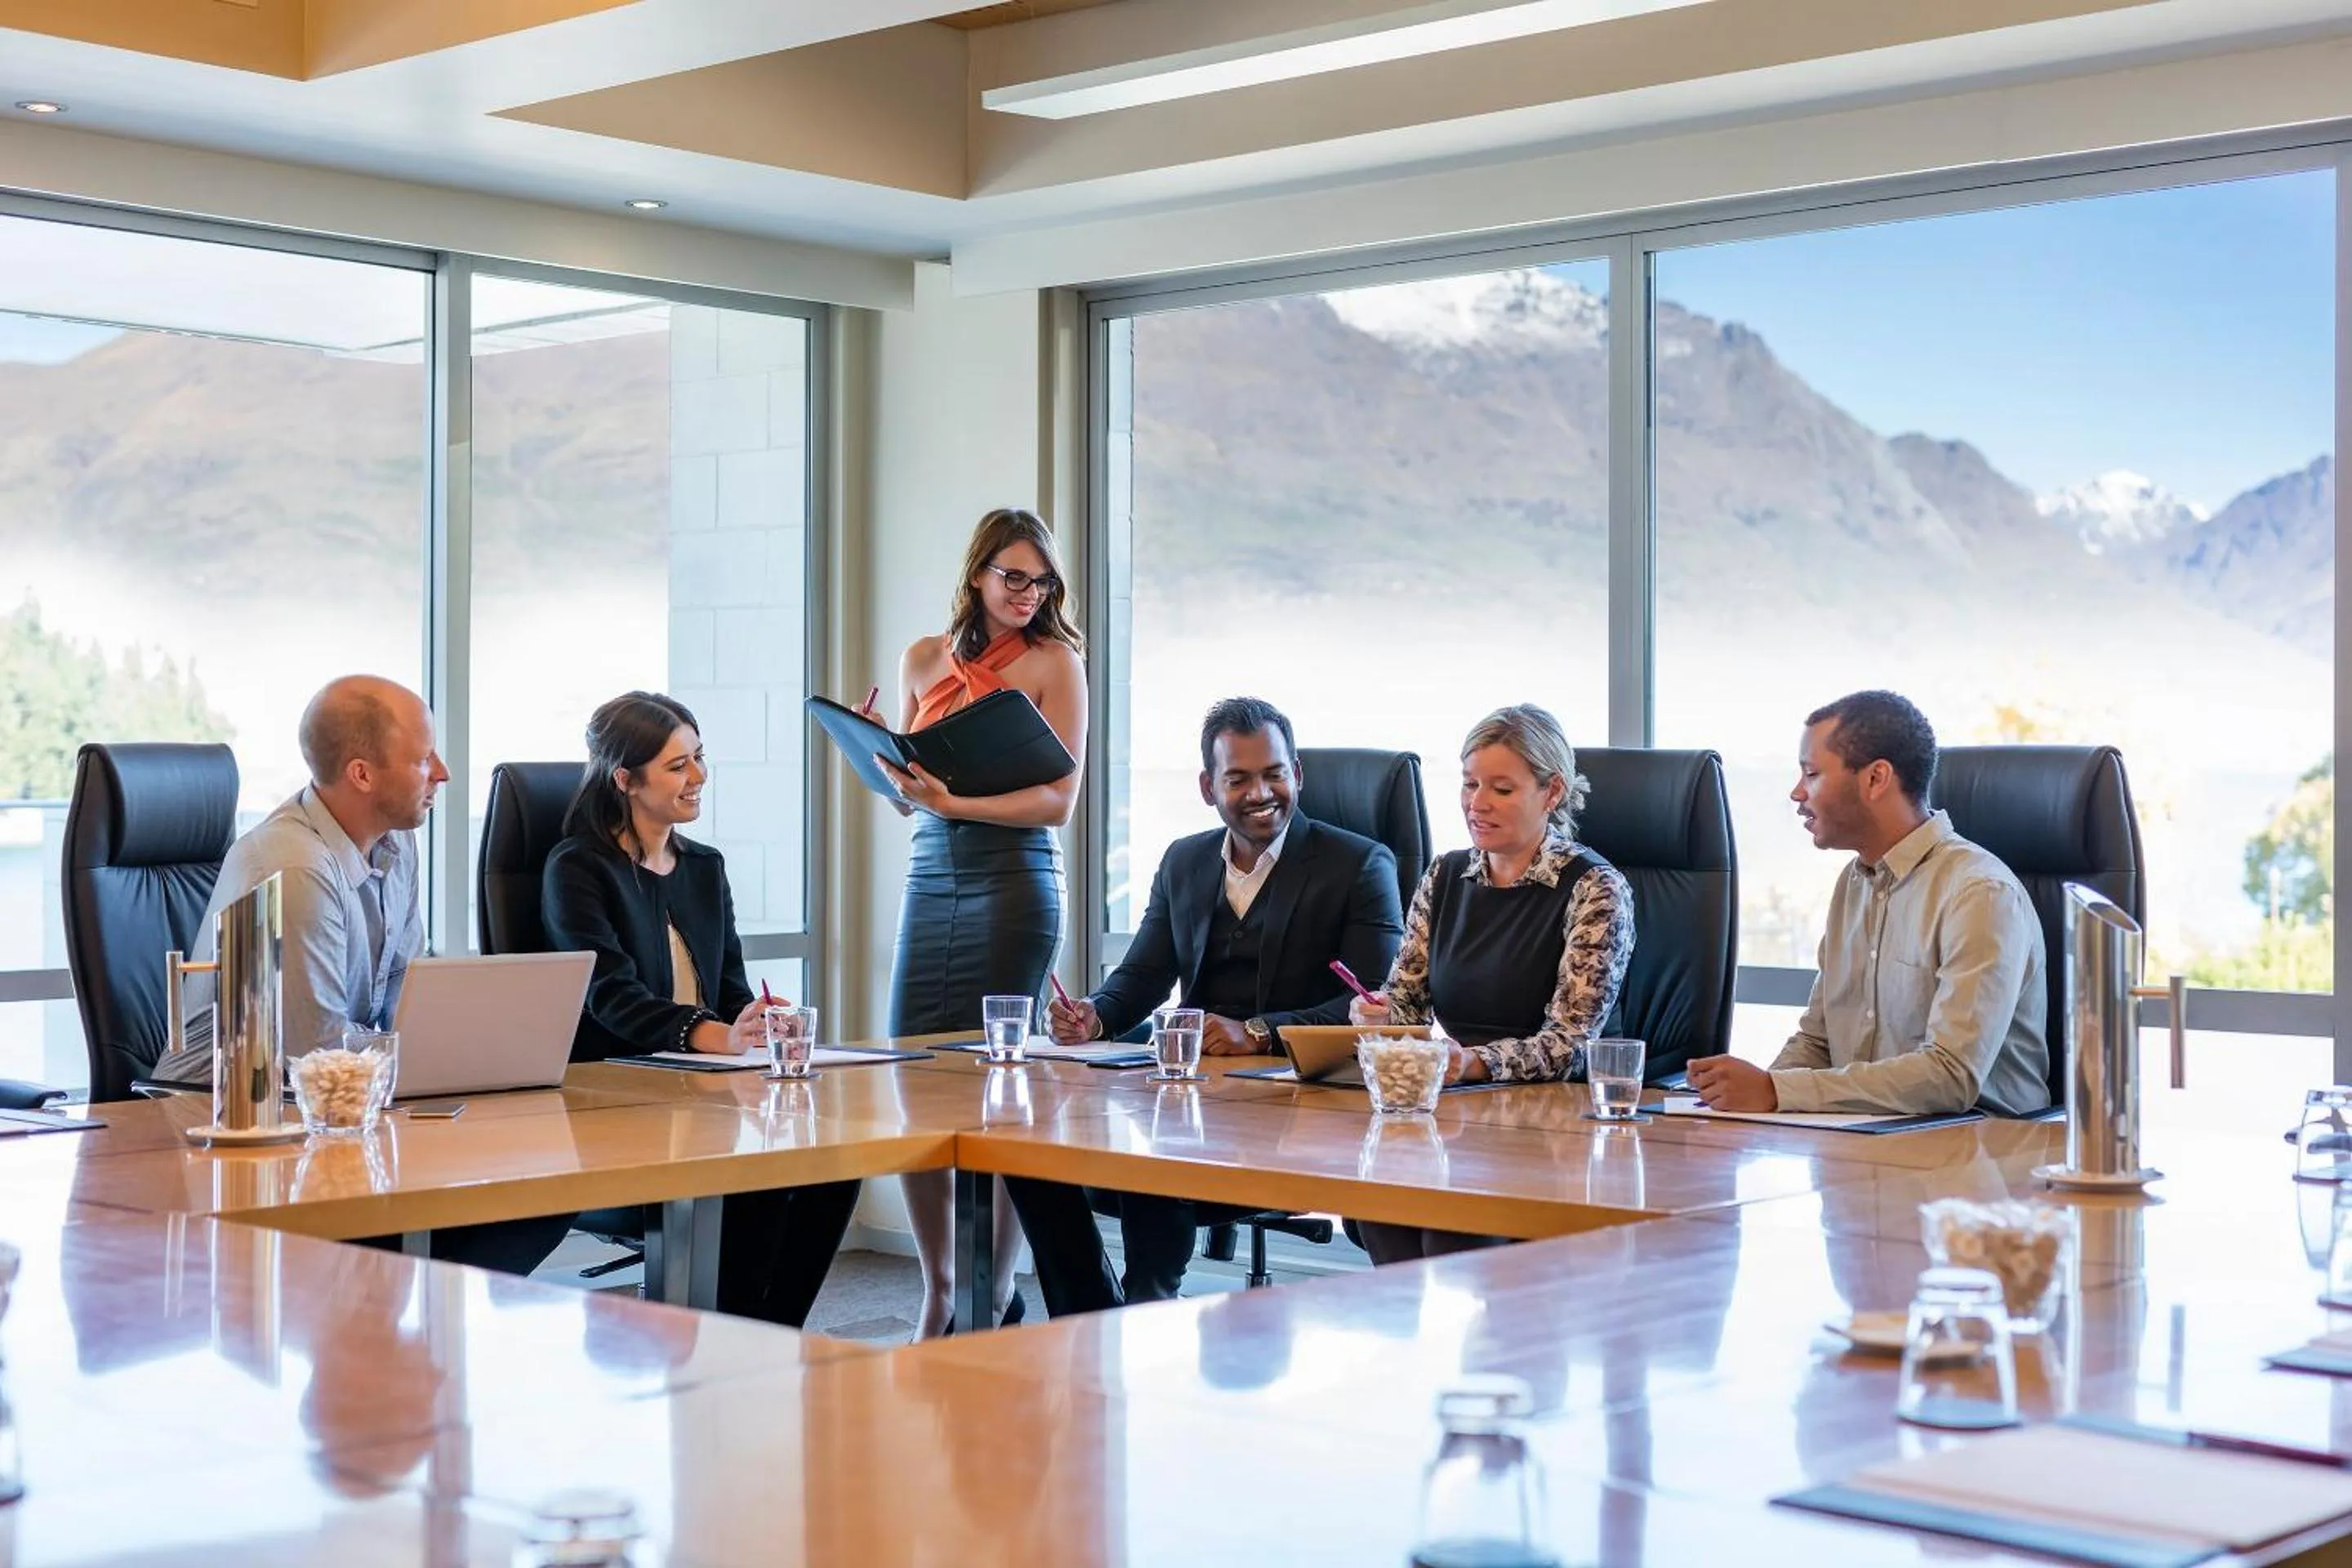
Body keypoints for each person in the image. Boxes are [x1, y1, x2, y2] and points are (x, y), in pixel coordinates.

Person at [158, 675, 569, 1277]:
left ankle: (389, 1328)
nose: (444, 773)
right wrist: (418, 1056)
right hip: (235, 1134)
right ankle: (382, 1328)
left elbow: (406, 1002)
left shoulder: (395, 850)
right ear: (361, 774)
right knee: (510, 1203)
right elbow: (315, 1054)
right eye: (424, 757)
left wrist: (462, 1052)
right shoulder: (294, 866)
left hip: (337, 1121)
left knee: (545, 1190)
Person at [1006, 696, 1405, 1314]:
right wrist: (1097, 1015)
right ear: (1207, 787)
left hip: (1296, 1105)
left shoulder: (1358, 865)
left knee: (1150, 1153)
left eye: (1274, 773)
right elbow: (1141, 976)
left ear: (1297, 774)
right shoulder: (1186, 861)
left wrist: (1259, 1032)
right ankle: (1088, 1307)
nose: (1261, 792)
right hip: (1194, 1095)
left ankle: (1146, 1299)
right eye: (1239, 778)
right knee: (1021, 1142)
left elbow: (1376, 1003)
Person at [542, 691, 858, 1325]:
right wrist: (708, 1033)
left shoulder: (704, 868)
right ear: (625, 780)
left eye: (699, 758)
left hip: (708, 1092)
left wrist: (758, 1020)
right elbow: (608, 996)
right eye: (678, 765)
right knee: (753, 1180)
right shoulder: (577, 867)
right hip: (619, 1097)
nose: (699, 777)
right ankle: (732, 1338)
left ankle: (772, 1333)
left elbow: (731, 987)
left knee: (836, 1161)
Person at [882, 506, 1087, 1338]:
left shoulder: (1055, 661)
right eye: (1012, 577)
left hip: (1014, 883)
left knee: (998, 1091)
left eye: (1040, 581)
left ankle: (993, 1288)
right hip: (932, 876)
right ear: (977, 574)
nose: (1027, 594)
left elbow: (1059, 801)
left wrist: (953, 800)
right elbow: (911, 794)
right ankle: (941, 1285)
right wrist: (886, 768)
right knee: (912, 1081)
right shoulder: (924, 657)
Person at [1349, 703, 1636, 1263]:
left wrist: (1473, 1063)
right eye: (1469, 784)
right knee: (1382, 1208)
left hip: (1551, 1125)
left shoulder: (1595, 888)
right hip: (1453, 1114)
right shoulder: (1446, 874)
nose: (1477, 804)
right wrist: (1381, 1016)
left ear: (1551, 793)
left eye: (1501, 789)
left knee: (1451, 1230)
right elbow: (1406, 1001)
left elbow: (1570, 1043)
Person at [1685, 690, 2050, 1117]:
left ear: (1876, 779)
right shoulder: (1854, 883)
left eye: (1812, 774)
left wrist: (1777, 1092)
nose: (1797, 793)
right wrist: (1743, 1102)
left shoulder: (1980, 893)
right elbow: (1818, 1043)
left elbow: (1951, 1075)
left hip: (1978, 1152)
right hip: (1868, 1142)